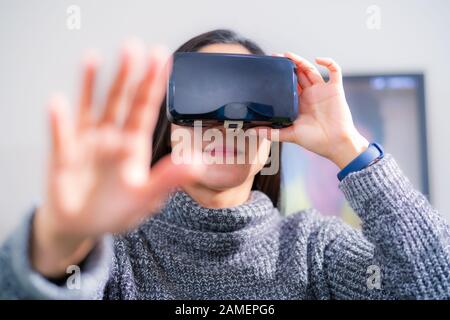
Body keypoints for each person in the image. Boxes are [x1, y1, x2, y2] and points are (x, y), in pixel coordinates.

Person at [0, 29, 449, 299]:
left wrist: (348, 146)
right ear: (171, 128)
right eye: (204, 98)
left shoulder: (316, 250)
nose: (225, 122)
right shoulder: (115, 254)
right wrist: (61, 244)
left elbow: (435, 284)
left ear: (272, 135)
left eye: (250, 104)